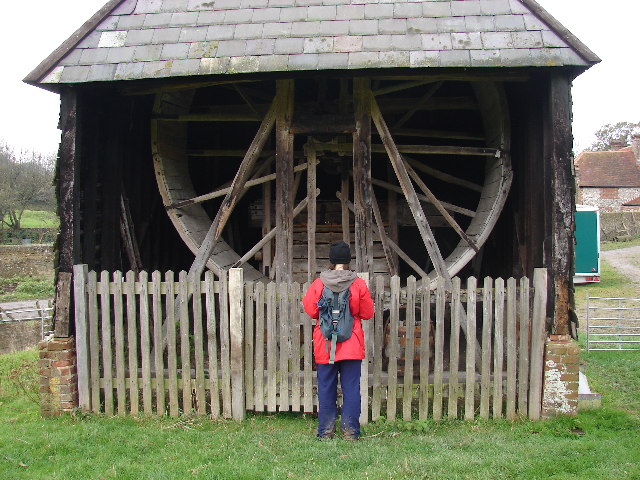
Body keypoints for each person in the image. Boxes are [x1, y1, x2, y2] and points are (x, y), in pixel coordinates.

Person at [302, 241, 374, 440]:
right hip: (352, 344)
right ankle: (350, 431)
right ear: (348, 261)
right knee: (351, 388)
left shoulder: (319, 284)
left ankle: (325, 431)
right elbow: (368, 313)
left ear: (331, 261)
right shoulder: (358, 284)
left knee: (325, 387)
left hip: (325, 345)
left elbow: (310, 310)